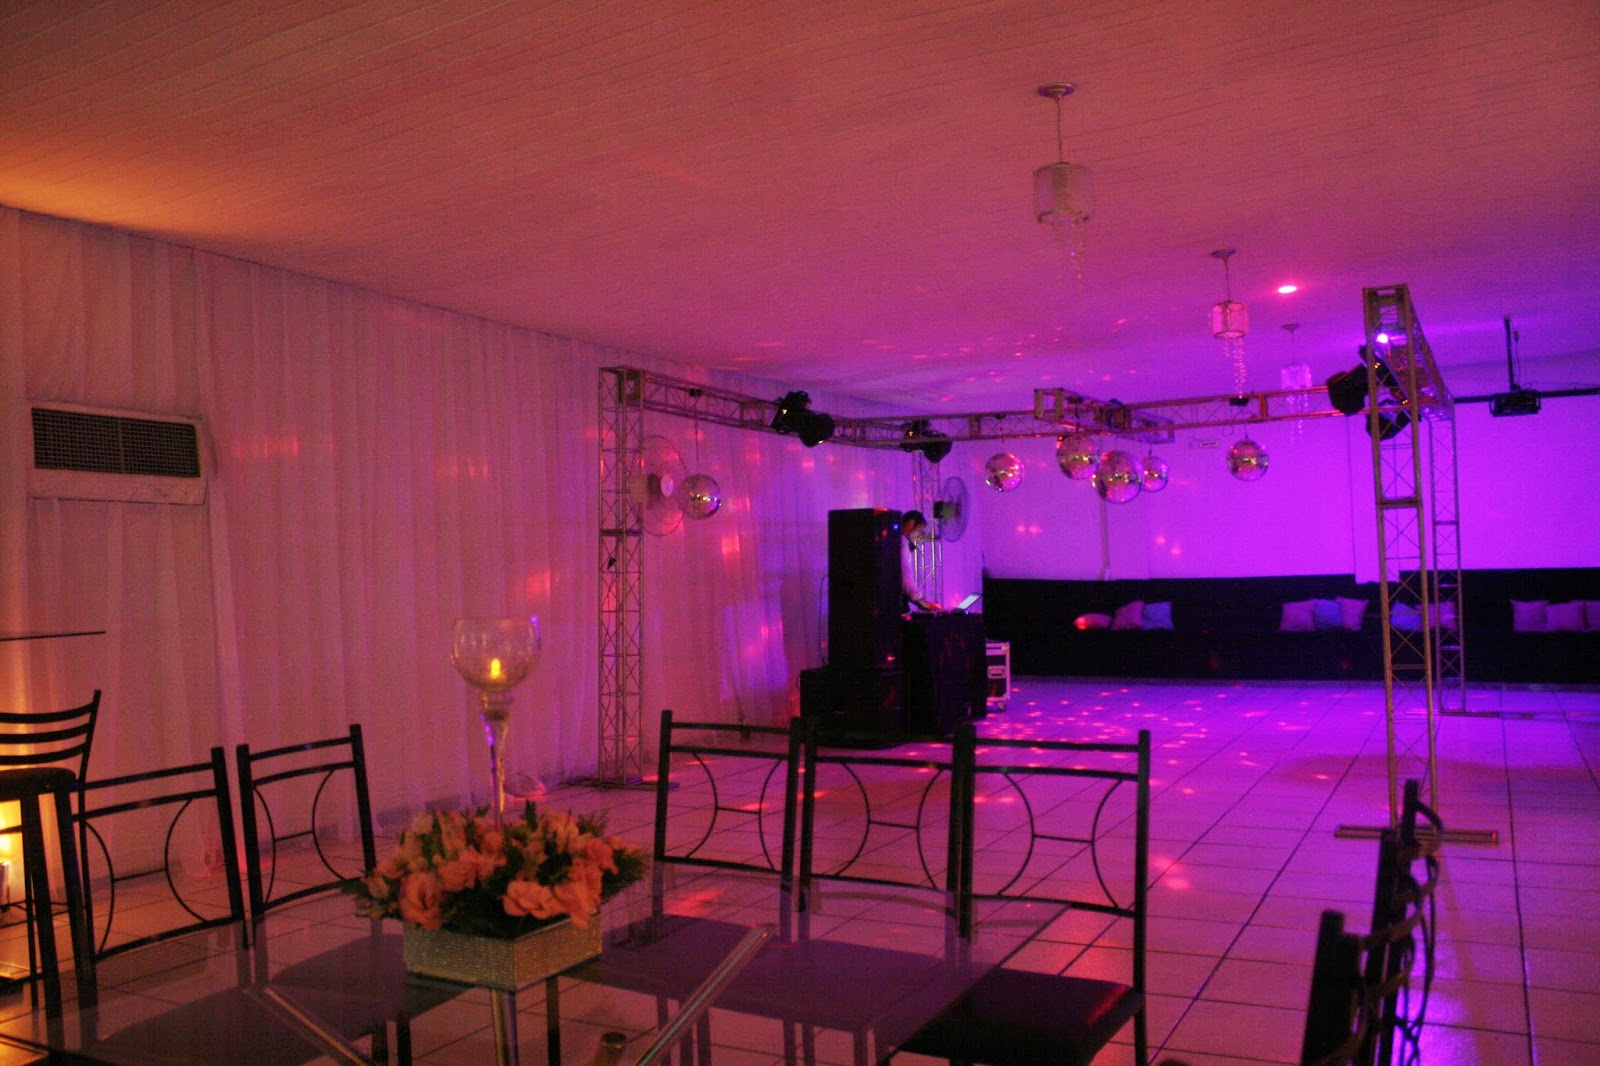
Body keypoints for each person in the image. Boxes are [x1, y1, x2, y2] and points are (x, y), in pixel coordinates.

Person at [899, 510, 940, 612]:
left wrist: (922, 602)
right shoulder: (902, 544)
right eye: (920, 531)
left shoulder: (897, 541)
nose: (920, 536)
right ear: (910, 524)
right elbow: (905, 578)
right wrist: (923, 603)